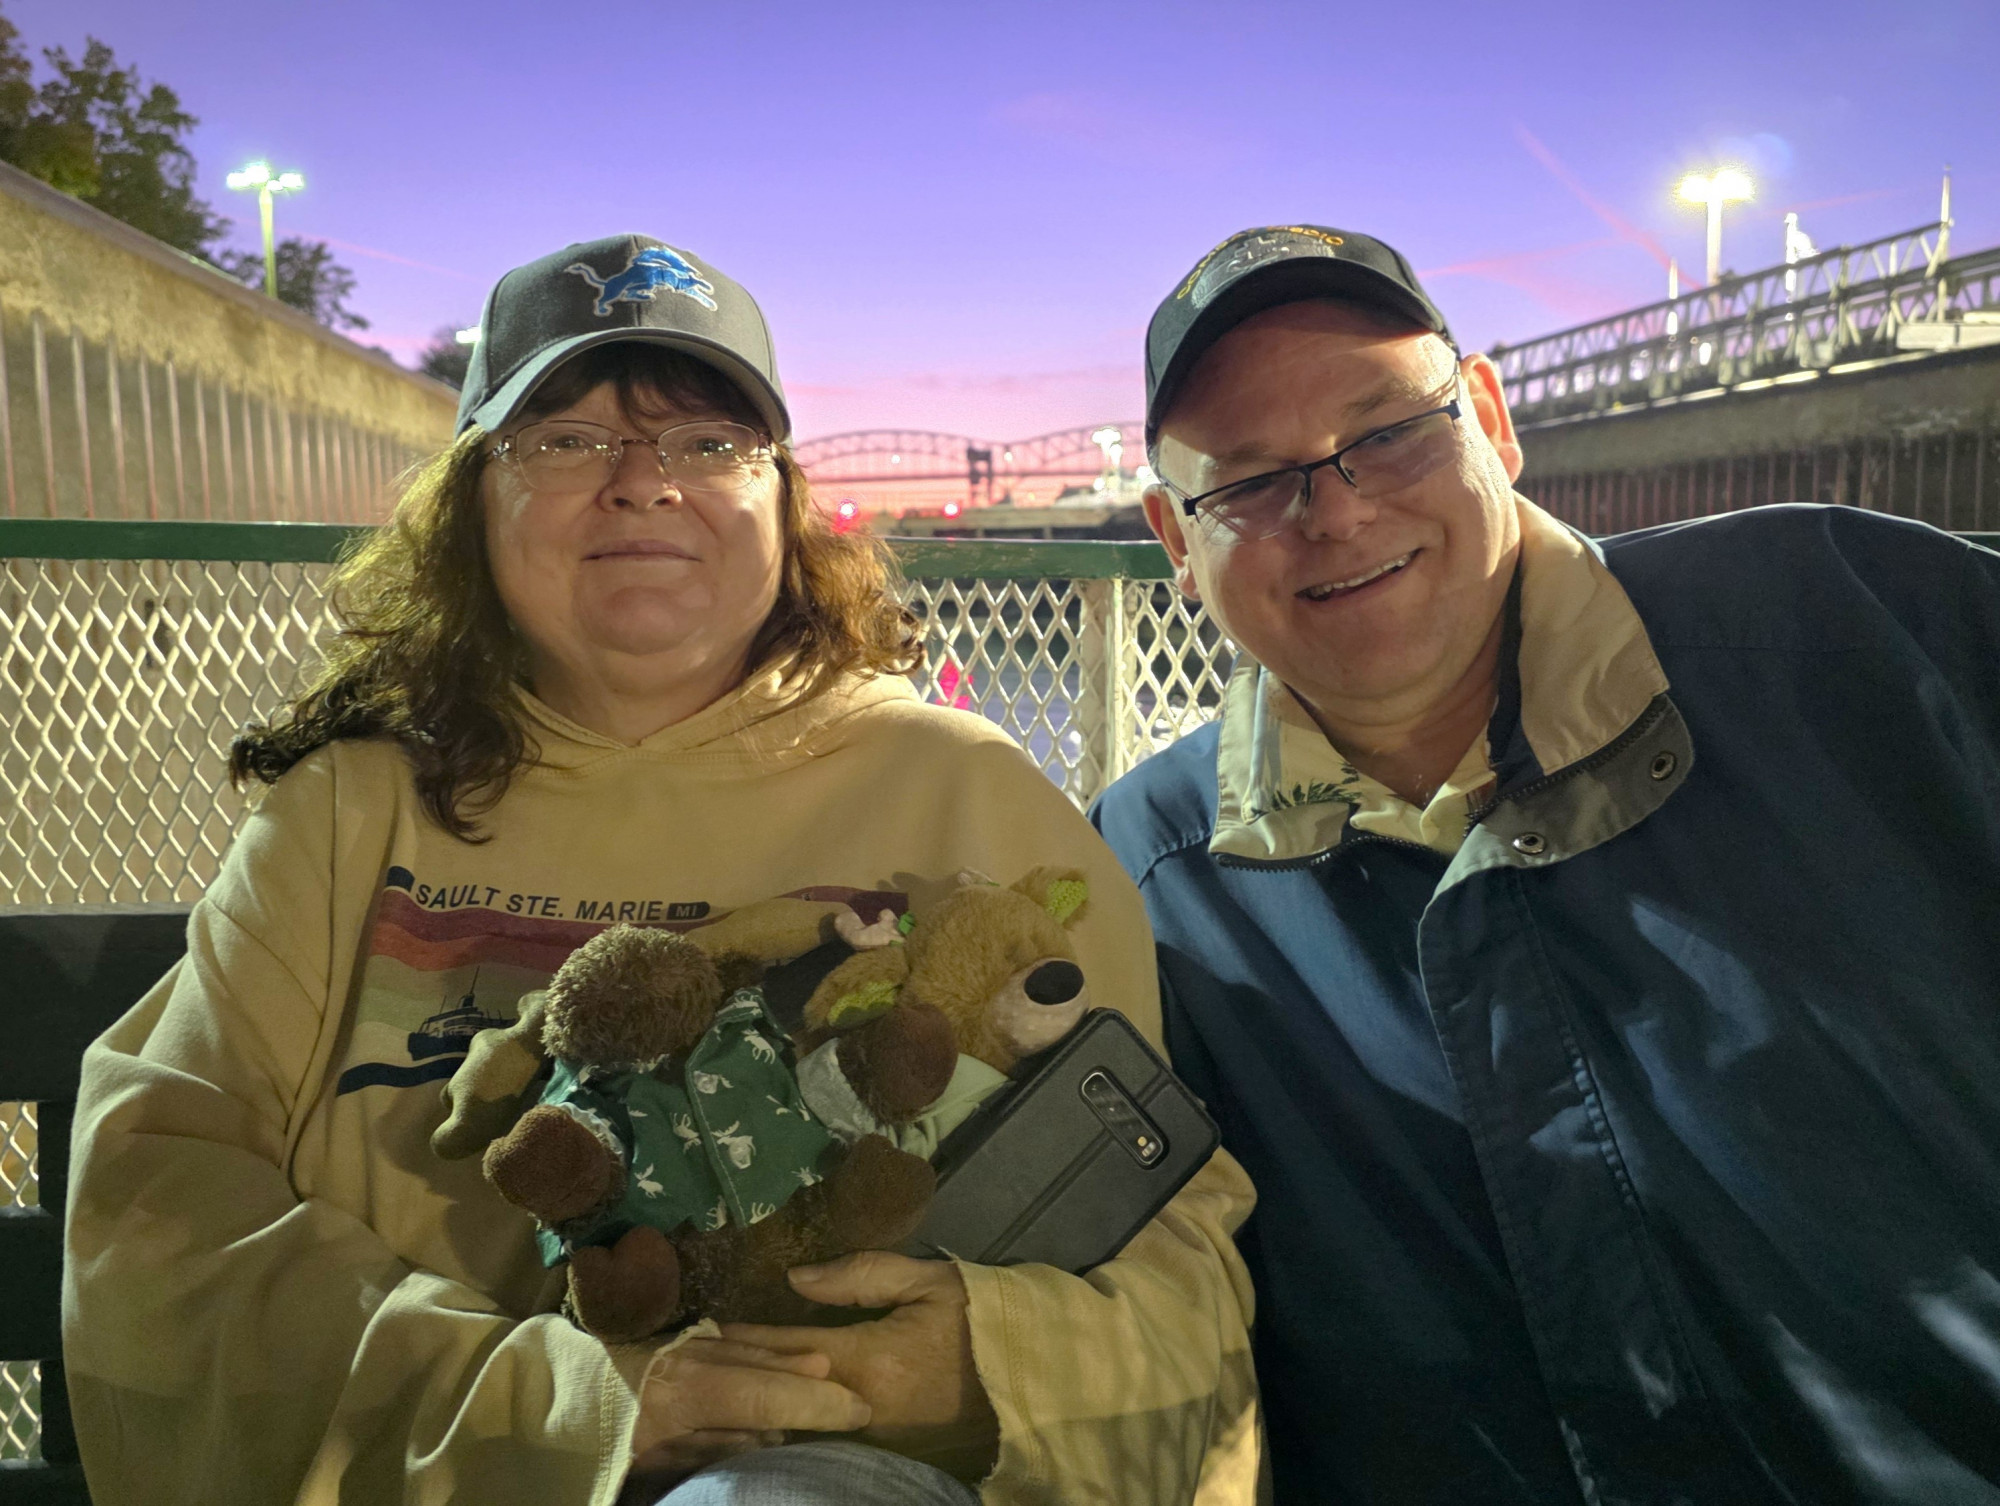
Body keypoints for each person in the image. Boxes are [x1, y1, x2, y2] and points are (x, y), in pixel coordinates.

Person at [62, 234, 1260, 1505]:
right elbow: (159, 1202)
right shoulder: (346, 813)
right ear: (475, 501)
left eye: (706, 443)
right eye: (566, 440)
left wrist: (984, 1370)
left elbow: (1175, 1246)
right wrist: (577, 1408)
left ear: (781, 502)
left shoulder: (967, 796)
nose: (642, 484)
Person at [1090, 224, 2000, 1503]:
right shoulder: (1144, 879)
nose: (1337, 508)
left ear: (1489, 420)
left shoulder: (1865, 631)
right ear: (1172, 541)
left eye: (1388, 430)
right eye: (1246, 482)